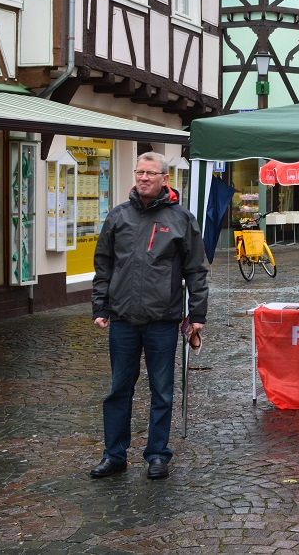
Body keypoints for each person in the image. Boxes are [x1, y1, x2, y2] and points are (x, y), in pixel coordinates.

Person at [89, 152, 208, 480]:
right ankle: (114, 455)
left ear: (164, 179)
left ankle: (157, 455)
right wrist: (100, 306)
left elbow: (195, 270)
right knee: (119, 389)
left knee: (162, 391)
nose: (143, 178)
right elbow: (104, 264)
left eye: (150, 173)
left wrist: (197, 313)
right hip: (123, 318)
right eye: (139, 172)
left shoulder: (181, 219)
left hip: (163, 320)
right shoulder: (118, 216)